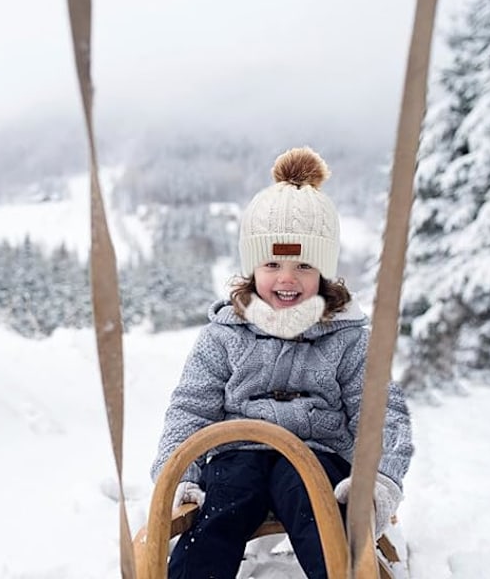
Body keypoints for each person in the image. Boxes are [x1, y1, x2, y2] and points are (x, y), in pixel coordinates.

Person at [151, 146, 413, 579]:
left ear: (324, 273)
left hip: (318, 457)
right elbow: (190, 408)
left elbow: (382, 415)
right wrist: (179, 472)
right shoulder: (223, 334)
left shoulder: (348, 339)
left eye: (303, 264)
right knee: (220, 511)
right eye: (272, 263)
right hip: (236, 454)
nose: (286, 278)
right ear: (252, 269)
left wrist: (377, 481)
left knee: (318, 510)